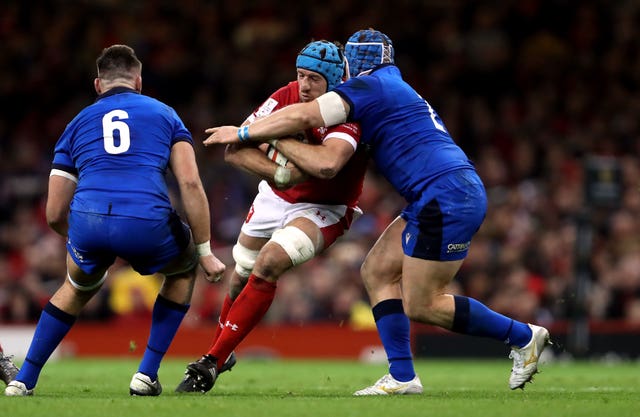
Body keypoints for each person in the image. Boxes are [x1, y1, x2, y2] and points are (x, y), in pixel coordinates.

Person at [202, 28, 552, 395]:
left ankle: (523, 336)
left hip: (444, 195)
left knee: (424, 304)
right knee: (377, 271)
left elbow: (304, 116)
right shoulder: (391, 83)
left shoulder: (367, 89)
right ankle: (402, 377)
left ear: (352, 63)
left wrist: (244, 133)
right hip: (440, 192)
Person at [4, 44, 225, 397]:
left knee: (76, 286)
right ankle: (146, 374)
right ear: (138, 82)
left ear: (97, 85)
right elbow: (189, 182)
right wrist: (205, 250)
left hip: (88, 221)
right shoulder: (165, 114)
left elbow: (54, 212)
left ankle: (23, 380)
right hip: (146, 220)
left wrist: (80, 239)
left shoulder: (76, 124)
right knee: (183, 269)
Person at [175, 40, 368, 394]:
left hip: (325, 208)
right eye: (300, 75)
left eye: (314, 79)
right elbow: (235, 151)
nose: (305, 86)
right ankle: (223, 352)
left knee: (269, 263)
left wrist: (273, 135)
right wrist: (281, 174)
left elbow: (325, 166)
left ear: (333, 82)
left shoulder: (350, 109)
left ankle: (210, 362)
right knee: (240, 278)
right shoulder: (287, 95)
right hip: (275, 197)